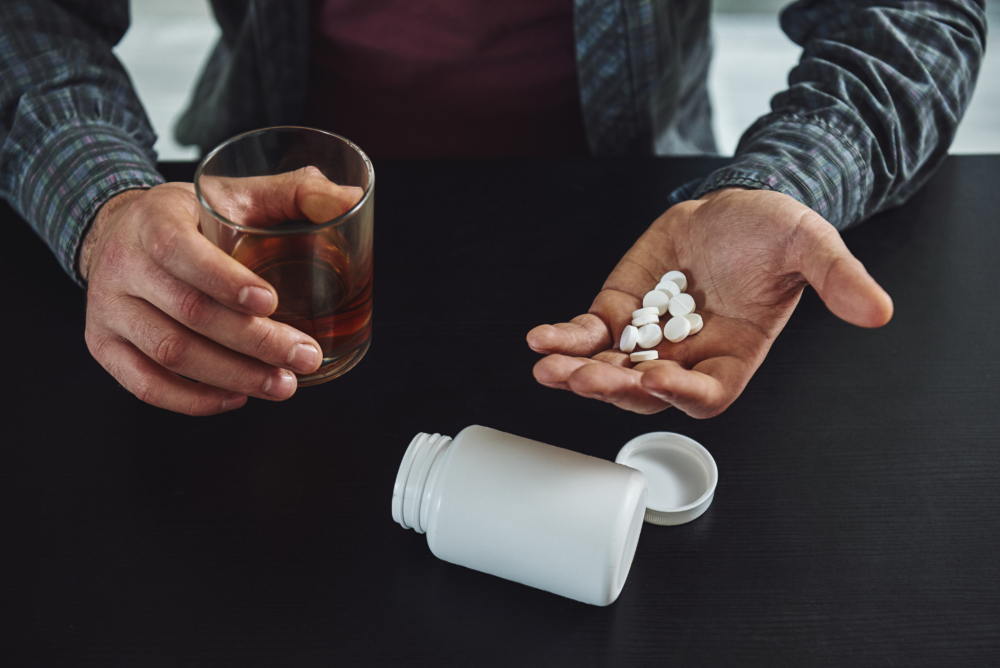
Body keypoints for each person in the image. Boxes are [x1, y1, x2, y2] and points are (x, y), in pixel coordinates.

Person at [0, 0, 986, 416]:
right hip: (269, 233)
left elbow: (906, 13)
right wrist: (102, 192)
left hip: (642, 213)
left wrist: (786, 177)